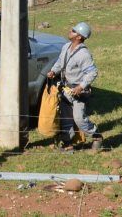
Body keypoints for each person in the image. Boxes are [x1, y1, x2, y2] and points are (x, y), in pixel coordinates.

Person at [46, 21, 103, 150]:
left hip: (79, 91)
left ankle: (96, 135)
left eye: (73, 30)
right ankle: (67, 143)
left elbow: (92, 72)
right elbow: (60, 62)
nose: (70, 31)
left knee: (79, 119)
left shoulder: (84, 54)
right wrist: (53, 71)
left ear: (79, 37)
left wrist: (81, 87)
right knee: (66, 118)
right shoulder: (66, 47)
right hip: (66, 89)